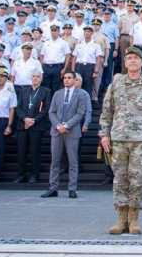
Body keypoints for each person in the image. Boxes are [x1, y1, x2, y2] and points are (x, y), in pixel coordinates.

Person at [99, 47, 142, 236]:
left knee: (137, 180)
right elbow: (107, 110)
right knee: (120, 179)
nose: (133, 61)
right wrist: (104, 134)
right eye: (129, 58)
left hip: (140, 140)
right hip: (118, 138)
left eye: (136, 58)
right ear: (125, 62)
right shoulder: (116, 83)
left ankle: (134, 218)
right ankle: (121, 219)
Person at [42, 71, 90, 199]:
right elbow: (51, 112)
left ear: (74, 80)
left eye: (69, 78)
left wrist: (67, 125)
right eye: (65, 78)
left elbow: (80, 113)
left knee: (73, 161)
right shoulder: (57, 94)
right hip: (56, 131)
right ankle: (53, 188)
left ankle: (72, 189)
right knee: (55, 161)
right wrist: (58, 126)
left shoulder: (80, 94)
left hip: (72, 131)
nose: (67, 80)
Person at [13, 72, 50, 183]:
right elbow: (18, 107)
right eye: (33, 76)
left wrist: (34, 120)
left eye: (38, 77)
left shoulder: (46, 91)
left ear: (41, 79)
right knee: (21, 151)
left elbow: (45, 109)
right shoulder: (23, 90)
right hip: (22, 125)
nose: (35, 78)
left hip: (36, 125)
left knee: (35, 151)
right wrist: (25, 119)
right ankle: (21, 175)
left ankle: (34, 175)